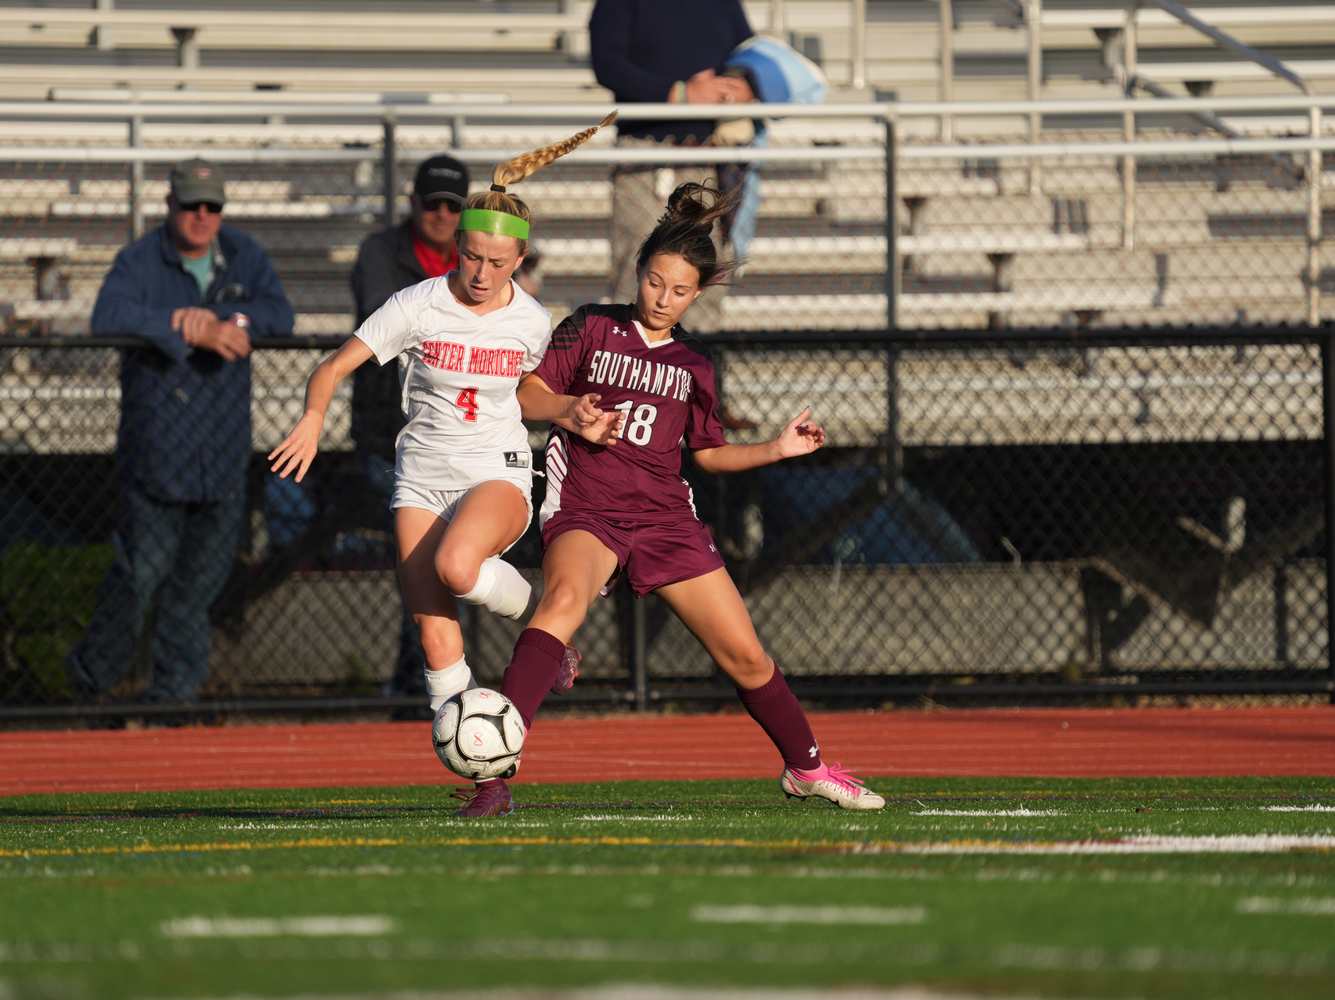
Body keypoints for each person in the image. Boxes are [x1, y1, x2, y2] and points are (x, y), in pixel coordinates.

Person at [478, 183, 885, 819]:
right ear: (637, 272)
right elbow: (527, 394)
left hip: (667, 518)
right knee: (561, 602)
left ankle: (806, 769)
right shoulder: (591, 325)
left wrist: (777, 449)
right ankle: (493, 775)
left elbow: (708, 454)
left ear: (698, 293)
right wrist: (568, 411)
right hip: (587, 507)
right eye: (654, 282)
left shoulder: (696, 361)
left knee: (746, 655)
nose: (663, 299)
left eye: (680, 290)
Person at [269, 117, 615, 792]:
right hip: (421, 480)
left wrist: (569, 410)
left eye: (499, 262)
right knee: (435, 641)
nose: (483, 273)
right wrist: (313, 416)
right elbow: (334, 367)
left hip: (497, 474)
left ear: (520, 261)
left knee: (460, 566)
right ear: (456, 246)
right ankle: (485, 779)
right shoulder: (416, 304)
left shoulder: (532, 321)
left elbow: (534, 396)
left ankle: (544, 617)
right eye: (472, 257)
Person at [72, 158, 295, 711]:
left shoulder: (244, 253)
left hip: (221, 454)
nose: (201, 215)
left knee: (197, 585)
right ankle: (92, 680)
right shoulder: (139, 259)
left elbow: (278, 313)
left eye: (211, 206)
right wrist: (180, 323)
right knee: (139, 576)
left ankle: (171, 697)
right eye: (191, 204)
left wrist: (231, 321)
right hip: (156, 453)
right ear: (169, 205)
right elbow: (107, 316)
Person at [349, 155, 473, 703]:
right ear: (413, 205)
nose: (443, 215)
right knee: (428, 566)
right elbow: (393, 323)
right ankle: (422, 685)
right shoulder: (380, 252)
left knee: (449, 565)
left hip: (463, 441)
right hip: (392, 438)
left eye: (454, 206)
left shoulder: (481, 261)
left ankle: (427, 685)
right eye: (433, 204)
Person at [588, 0, 755, 321]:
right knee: (640, 277)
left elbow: (747, 55)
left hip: (710, 156)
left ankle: (702, 366)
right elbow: (607, 63)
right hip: (646, 156)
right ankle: (633, 366)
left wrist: (746, 86)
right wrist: (678, 94)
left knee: (706, 278)